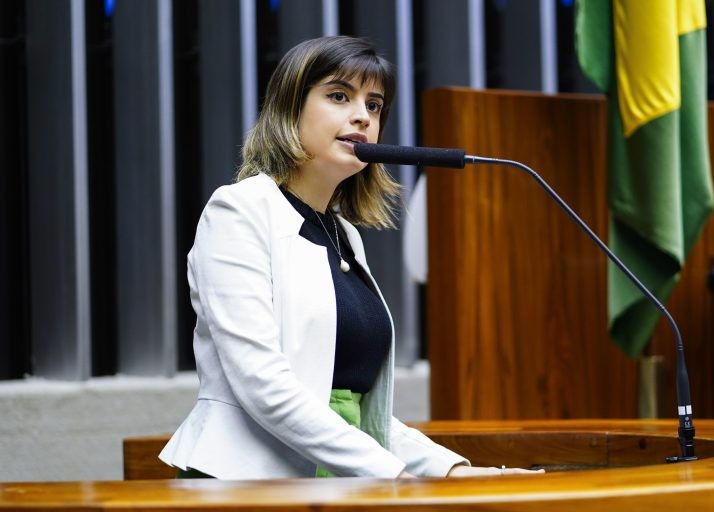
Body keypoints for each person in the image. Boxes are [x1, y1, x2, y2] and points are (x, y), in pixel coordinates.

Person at [159, 35, 542, 479]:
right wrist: (395, 477)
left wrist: (452, 471)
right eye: (339, 96)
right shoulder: (238, 211)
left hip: (334, 483)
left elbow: (360, 415)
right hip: (246, 486)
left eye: (374, 105)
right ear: (290, 108)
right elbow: (261, 384)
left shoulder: (342, 234)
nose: (362, 115)